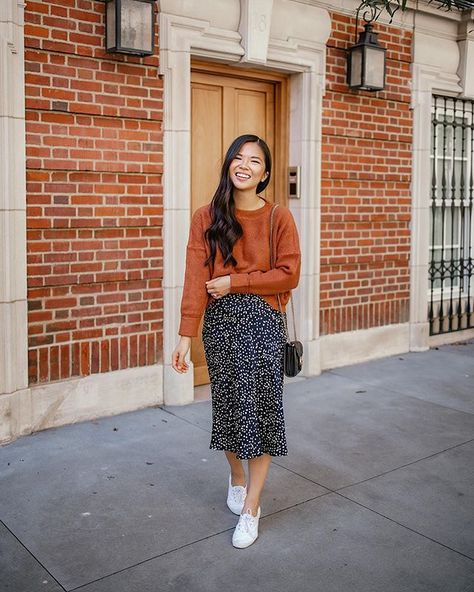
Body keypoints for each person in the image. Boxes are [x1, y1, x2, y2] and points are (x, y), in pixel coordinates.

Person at [171, 134, 301, 548]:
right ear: (229, 164)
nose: (244, 165)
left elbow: (289, 274)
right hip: (221, 324)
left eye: (255, 161)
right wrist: (183, 335)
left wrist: (236, 282)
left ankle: (252, 509)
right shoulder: (205, 217)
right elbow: (195, 277)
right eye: (238, 158)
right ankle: (238, 475)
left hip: (263, 321)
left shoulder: (278, 217)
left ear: (264, 174)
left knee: (259, 412)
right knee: (227, 409)